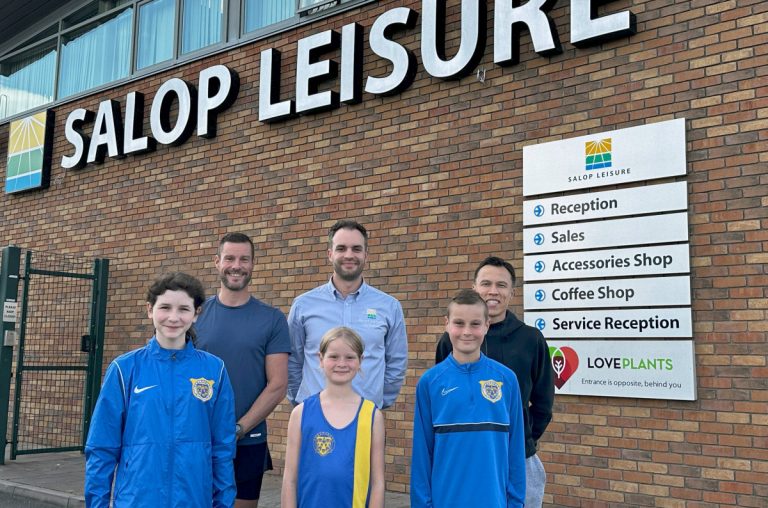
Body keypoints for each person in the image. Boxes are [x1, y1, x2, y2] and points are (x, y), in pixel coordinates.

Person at [85, 272, 236, 507]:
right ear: (150, 310)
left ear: (196, 314)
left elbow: (223, 447)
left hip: (194, 500)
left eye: (184, 309)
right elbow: (102, 447)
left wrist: (223, 503)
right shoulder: (124, 369)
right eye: (165, 307)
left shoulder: (214, 369)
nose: (173, 317)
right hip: (137, 500)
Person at [435, 256, 554, 507]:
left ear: (512, 292)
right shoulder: (452, 341)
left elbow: (543, 404)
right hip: (465, 456)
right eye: (486, 283)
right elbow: (442, 399)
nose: (493, 291)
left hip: (518, 458)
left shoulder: (531, 339)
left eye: (501, 285)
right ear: (475, 287)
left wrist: (520, 439)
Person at [196, 232, 291, 508]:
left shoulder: (271, 319)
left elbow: (278, 384)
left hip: (248, 441)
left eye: (244, 259)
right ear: (217, 262)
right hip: (197, 439)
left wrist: (239, 428)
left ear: (252, 265)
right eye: (230, 258)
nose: (236, 265)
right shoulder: (195, 315)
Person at [412, 289, 526, 507]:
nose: (467, 332)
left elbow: (516, 452)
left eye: (475, 324)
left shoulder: (507, 380)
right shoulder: (430, 382)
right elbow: (421, 456)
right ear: (447, 324)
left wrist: (516, 503)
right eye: (459, 323)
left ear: (486, 326)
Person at [287, 220, 407, 409]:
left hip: (365, 416)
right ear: (330, 254)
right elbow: (293, 361)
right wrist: (302, 403)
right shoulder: (303, 305)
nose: (349, 255)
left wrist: (376, 404)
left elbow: (396, 363)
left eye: (356, 249)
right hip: (313, 413)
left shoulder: (389, 307)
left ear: (366, 255)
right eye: (341, 248)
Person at [281, 326, 385, 508]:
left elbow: (377, 483)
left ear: (360, 361)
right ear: (320, 359)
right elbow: (290, 479)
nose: (342, 363)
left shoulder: (371, 416)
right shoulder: (301, 413)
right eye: (334, 356)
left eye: (350, 357)